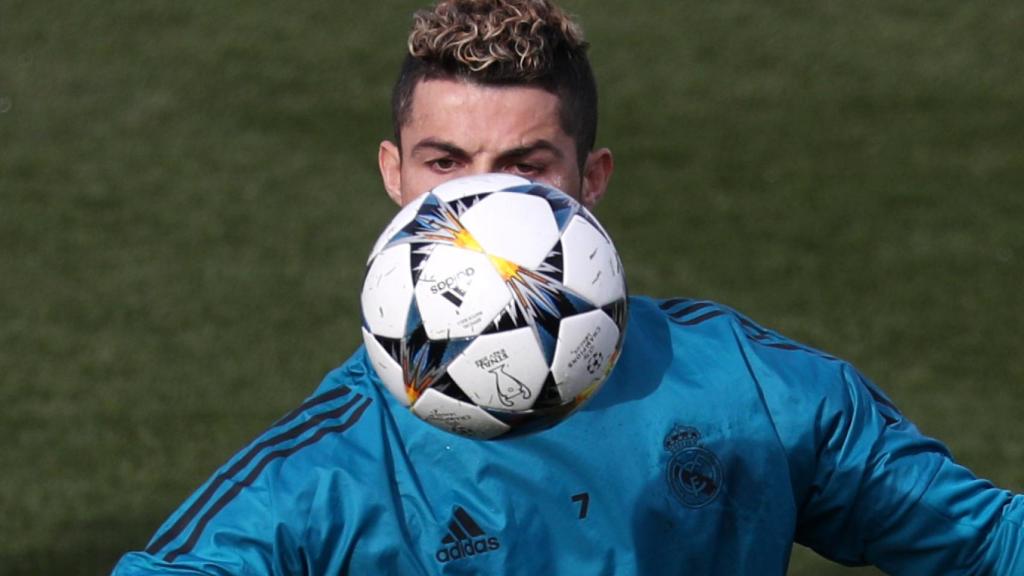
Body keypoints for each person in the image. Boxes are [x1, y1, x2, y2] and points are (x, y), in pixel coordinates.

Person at [113, 0, 1023, 574]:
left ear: (591, 180)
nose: (484, 204)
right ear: (394, 176)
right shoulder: (333, 474)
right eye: (446, 163)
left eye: (525, 164)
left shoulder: (747, 387)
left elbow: (986, 541)